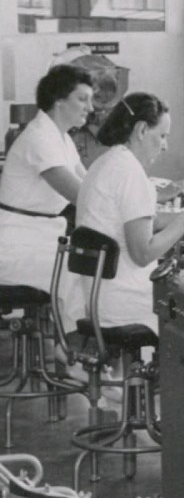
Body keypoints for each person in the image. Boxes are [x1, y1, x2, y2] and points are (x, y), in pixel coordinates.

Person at [75, 93, 184, 332]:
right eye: (162, 135)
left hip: (100, 296)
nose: (165, 145)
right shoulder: (130, 173)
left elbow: (133, 220)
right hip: (126, 303)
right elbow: (142, 253)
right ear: (140, 130)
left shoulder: (107, 162)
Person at [0, 65, 93, 319]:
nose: (90, 107)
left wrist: (146, 190)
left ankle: (78, 346)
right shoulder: (40, 137)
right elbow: (81, 196)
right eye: (82, 99)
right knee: (78, 270)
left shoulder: (60, 138)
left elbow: (90, 184)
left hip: (38, 240)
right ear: (59, 100)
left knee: (87, 267)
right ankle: (72, 351)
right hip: (15, 247)